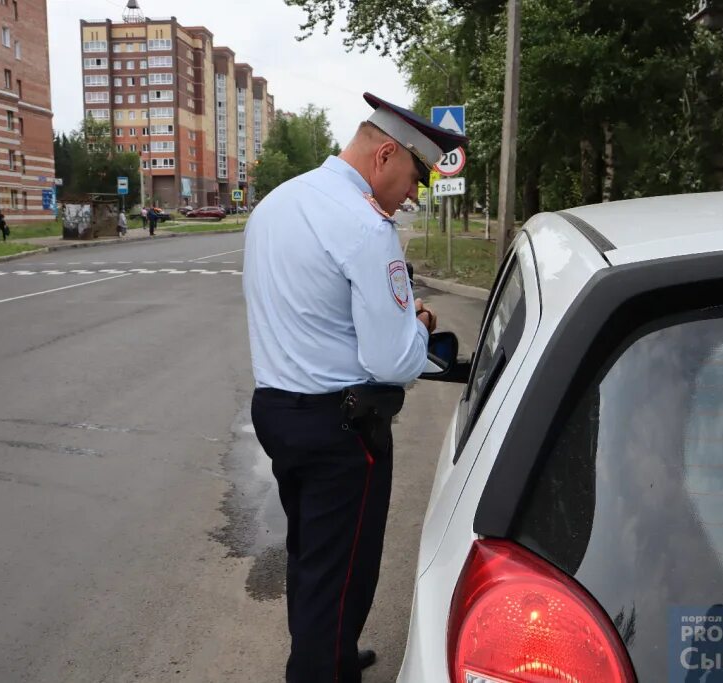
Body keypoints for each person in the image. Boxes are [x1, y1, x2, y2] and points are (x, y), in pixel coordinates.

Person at [243, 92, 466, 683]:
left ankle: (327, 651)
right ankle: (321, 669)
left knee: (311, 555)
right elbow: (393, 361)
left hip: (277, 411)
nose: (414, 193)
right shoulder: (367, 228)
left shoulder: (277, 203)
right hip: (341, 429)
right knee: (342, 570)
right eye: (414, 176)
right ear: (384, 154)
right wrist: (418, 325)